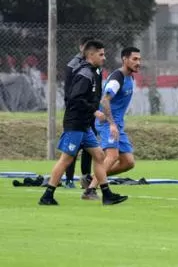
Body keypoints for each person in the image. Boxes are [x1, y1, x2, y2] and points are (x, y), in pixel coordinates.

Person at [38, 40, 127, 206]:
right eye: (101, 54)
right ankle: (47, 195)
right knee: (66, 159)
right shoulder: (85, 74)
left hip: (84, 125)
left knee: (100, 156)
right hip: (75, 124)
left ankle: (106, 195)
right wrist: (94, 111)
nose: (104, 57)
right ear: (90, 55)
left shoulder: (93, 72)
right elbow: (74, 99)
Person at [91, 46, 141, 197]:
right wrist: (112, 124)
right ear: (124, 60)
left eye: (139, 59)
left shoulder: (130, 76)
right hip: (108, 124)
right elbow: (105, 101)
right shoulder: (117, 78)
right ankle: (90, 190)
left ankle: (93, 179)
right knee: (112, 156)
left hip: (117, 125)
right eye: (134, 59)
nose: (138, 62)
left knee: (128, 162)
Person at [64, 36, 95, 190]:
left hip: (90, 113)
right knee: (71, 151)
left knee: (94, 152)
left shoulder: (94, 66)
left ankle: (87, 179)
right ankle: (67, 179)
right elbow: (71, 92)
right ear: (82, 47)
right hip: (77, 113)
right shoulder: (75, 66)